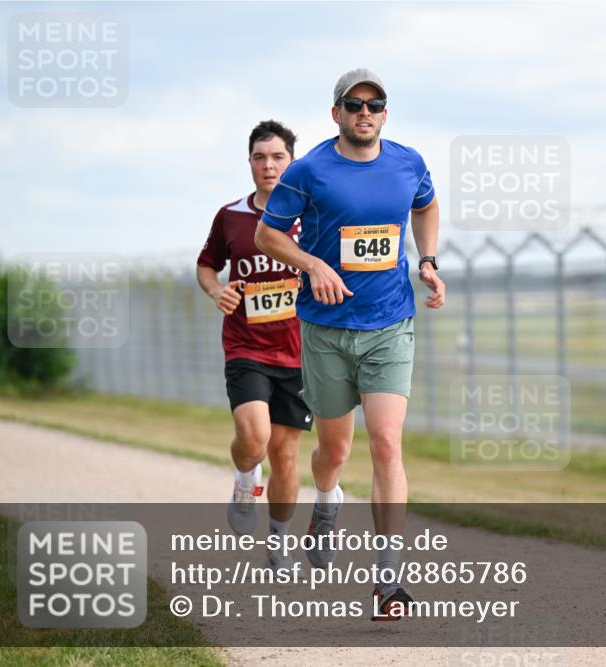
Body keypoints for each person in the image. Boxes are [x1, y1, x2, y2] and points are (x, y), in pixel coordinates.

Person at [254, 68, 444, 619]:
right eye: (353, 104)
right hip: (326, 331)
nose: (365, 112)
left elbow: (426, 205)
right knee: (334, 451)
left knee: (386, 443)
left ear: (385, 113)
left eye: (375, 104)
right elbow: (268, 232)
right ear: (335, 112)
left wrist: (427, 261)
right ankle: (327, 501)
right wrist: (312, 264)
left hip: (389, 324)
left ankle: (388, 580)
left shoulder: (408, 162)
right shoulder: (310, 168)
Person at [196, 120, 312, 572]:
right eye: (260, 157)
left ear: (292, 162)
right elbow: (207, 266)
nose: (268, 165)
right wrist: (215, 291)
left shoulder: (312, 217)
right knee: (255, 438)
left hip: (300, 352)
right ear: (249, 163)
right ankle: (246, 478)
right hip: (245, 345)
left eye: (277, 157)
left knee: (285, 453)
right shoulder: (231, 216)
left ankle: (279, 545)